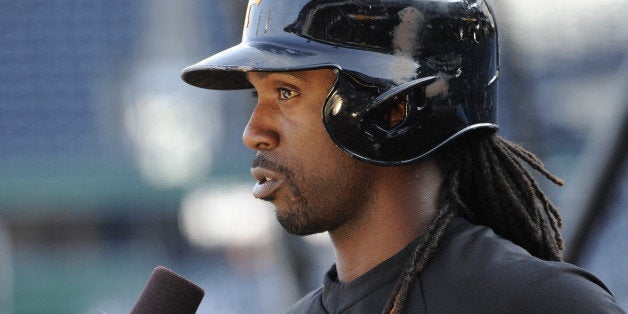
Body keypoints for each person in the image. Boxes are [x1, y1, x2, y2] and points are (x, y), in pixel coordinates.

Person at [181, 0, 625, 312]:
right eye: (258, 96)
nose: (253, 132)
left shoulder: (542, 304)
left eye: (285, 92)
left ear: (395, 110)